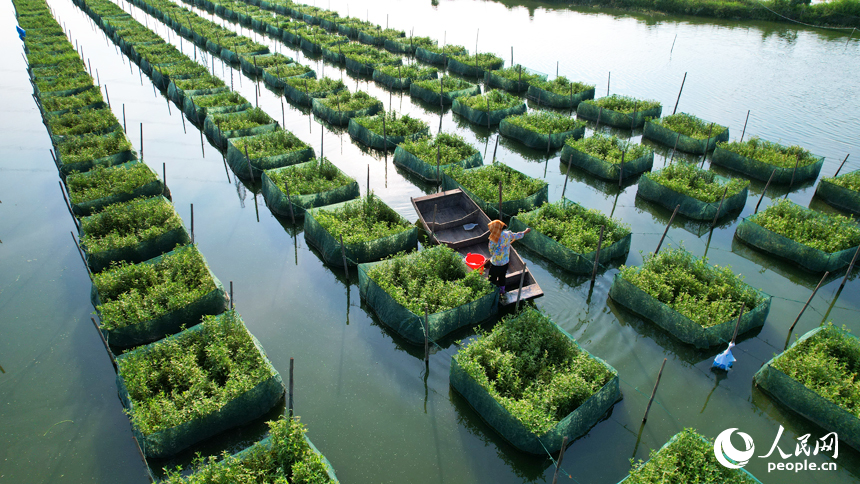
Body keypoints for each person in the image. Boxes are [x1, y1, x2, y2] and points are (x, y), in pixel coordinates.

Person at [486, 220, 529, 295]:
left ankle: (491, 292)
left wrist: (494, 254)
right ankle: (502, 291)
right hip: (505, 262)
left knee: (492, 278)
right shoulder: (508, 234)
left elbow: (491, 251)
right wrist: (525, 231)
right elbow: (517, 236)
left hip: (495, 263)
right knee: (502, 277)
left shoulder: (493, 238)